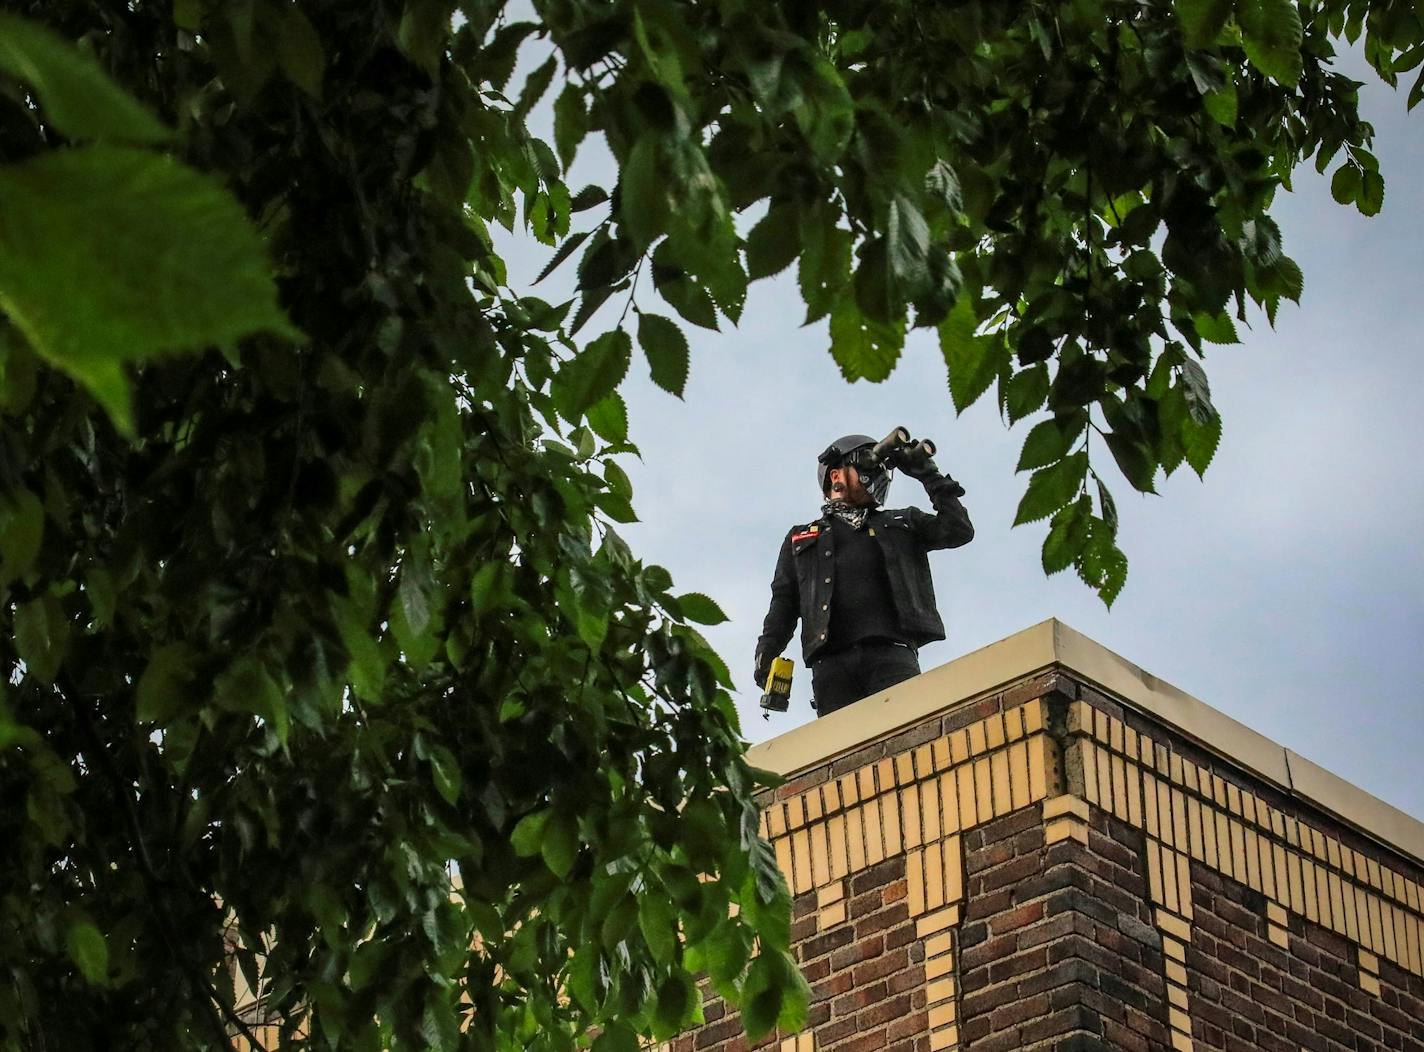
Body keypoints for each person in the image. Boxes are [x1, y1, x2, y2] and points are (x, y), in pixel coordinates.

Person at [754, 433, 974, 717]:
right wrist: (767, 654)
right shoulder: (802, 537)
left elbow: (958, 530)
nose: (876, 476)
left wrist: (927, 475)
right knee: (843, 751)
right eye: (866, 466)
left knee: (905, 736)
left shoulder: (900, 522)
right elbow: (783, 602)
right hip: (830, 664)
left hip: (892, 654)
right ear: (836, 476)